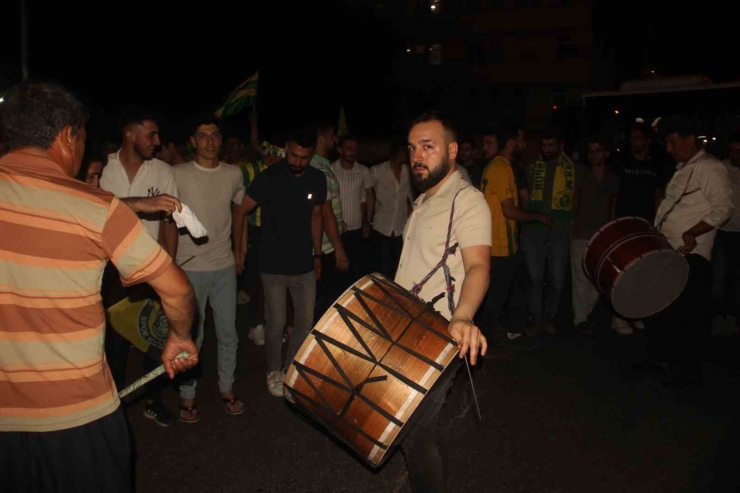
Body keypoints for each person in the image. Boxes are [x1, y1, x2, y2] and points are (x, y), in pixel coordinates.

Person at [0, 81, 198, 492]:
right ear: (67, 136)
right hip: (77, 418)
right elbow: (176, 290)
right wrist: (179, 337)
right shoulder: (94, 207)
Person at [395, 112, 490, 492]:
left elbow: (479, 266)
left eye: (428, 147)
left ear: (451, 151)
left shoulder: (467, 200)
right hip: (406, 328)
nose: (417, 155)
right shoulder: (423, 200)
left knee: (415, 434)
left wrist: (463, 316)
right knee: (411, 431)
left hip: (439, 335)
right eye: (412, 148)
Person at [99, 111, 182, 427]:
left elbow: (170, 225)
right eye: (151, 134)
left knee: (155, 336)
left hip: (149, 267)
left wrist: (169, 267)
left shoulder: (162, 171)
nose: (158, 142)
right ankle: (113, 406)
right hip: (109, 269)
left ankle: (153, 400)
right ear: (129, 134)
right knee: (114, 342)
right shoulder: (103, 169)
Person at [234, 127, 327, 397]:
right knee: (275, 322)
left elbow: (317, 217)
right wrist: (239, 251)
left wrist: (318, 254)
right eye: (294, 155)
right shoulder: (269, 177)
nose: (298, 162)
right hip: (272, 263)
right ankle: (274, 370)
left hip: (304, 264)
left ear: (312, 155)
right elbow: (241, 211)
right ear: (287, 148)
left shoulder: (317, 179)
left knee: (305, 322)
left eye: (304, 157)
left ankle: (290, 368)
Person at [641, 116, 733, 386]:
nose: (668, 149)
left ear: (689, 139)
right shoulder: (685, 167)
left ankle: (689, 370)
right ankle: (661, 359)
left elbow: (724, 208)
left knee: (689, 315)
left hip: (690, 255)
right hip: (668, 251)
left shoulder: (709, 167)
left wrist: (693, 232)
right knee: (661, 308)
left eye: (672, 142)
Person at [173, 115, 249, 422]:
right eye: (203, 136)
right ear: (193, 141)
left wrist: (241, 250)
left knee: (229, 332)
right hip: (190, 266)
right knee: (193, 335)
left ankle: (227, 389)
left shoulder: (233, 174)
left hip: (224, 263)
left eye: (215, 135)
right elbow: (167, 220)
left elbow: (240, 213)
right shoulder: (177, 174)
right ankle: (187, 395)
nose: (211, 141)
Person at [479, 125, 549, 349]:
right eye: (520, 140)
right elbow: (509, 211)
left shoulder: (500, 167)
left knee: (517, 285)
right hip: (500, 244)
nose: (524, 144)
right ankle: (482, 342)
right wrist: (539, 216)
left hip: (501, 242)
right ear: (510, 143)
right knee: (497, 295)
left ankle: (513, 329)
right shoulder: (501, 169)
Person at [520, 127, 584, 334]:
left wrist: (567, 222)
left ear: (561, 146)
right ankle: (535, 320)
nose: (546, 149)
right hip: (534, 229)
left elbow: (576, 198)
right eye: (543, 146)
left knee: (557, 278)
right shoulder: (532, 166)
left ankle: (550, 317)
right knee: (535, 278)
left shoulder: (573, 168)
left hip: (560, 229)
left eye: (551, 145)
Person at [570, 138, 619, 335]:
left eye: (598, 151)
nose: (594, 155)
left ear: (606, 153)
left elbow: (613, 204)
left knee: (599, 278)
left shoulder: (612, 177)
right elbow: (574, 202)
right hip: (581, 232)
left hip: (603, 235)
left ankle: (588, 314)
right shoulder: (581, 174)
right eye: (591, 151)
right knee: (580, 279)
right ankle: (580, 319)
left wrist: (612, 230)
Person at [370, 141, 413, 278]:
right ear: (398, 153)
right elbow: (368, 196)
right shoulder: (377, 171)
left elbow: (408, 199)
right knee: (381, 269)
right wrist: (367, 220)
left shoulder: (408, 171)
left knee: (398, 268)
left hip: (400, 228)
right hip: (381, 227)